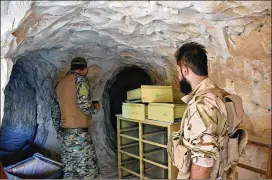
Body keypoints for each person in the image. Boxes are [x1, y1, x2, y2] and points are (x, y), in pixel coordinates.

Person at [175, 42, 229, 179]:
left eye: (178, 71)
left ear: (185, 70)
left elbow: (203, 164)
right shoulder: (220, 95)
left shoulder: (201, 105)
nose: (178, 76)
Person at [51, 57, 101, 179]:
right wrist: (95, 108)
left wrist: (60, 131)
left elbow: (55, 111)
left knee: (70, 172)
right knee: (88, 172)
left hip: (65, 136)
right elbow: (85, 106)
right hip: (79, 137)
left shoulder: (60, 84)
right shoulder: (81, 80)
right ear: (85, 69)